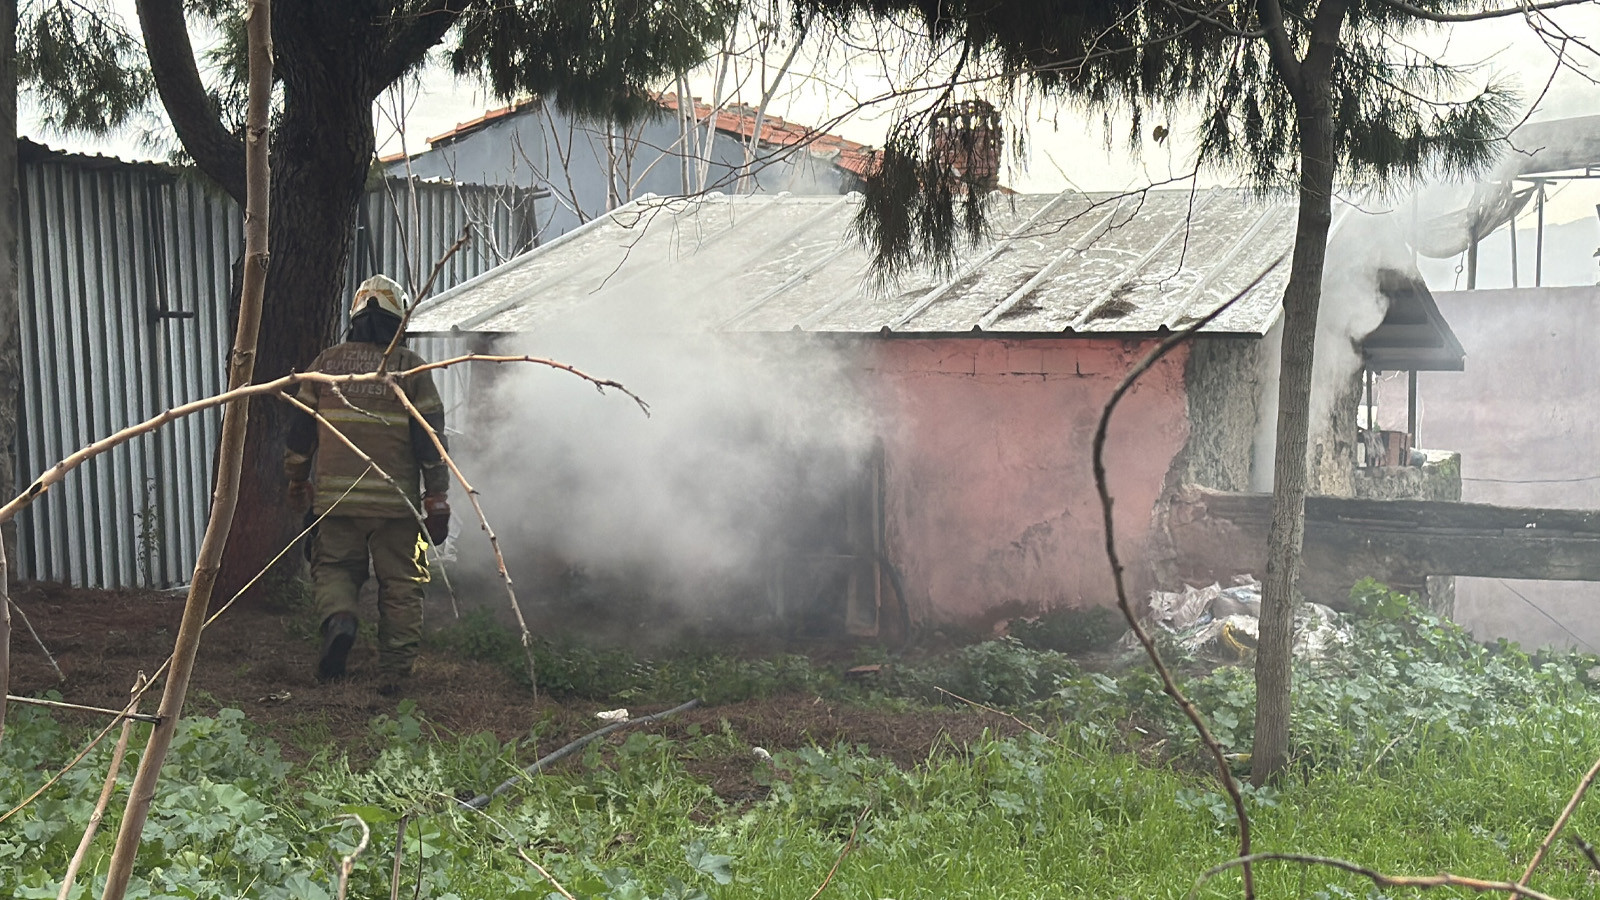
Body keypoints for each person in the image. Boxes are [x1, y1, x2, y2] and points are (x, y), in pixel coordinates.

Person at [283, 274, 451, 693]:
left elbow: (300, 432)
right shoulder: (409, 366)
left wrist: (297, 480)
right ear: (399, 321)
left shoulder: (325, 364)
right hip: (395, 505)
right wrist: (437, 496)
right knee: (401, 584)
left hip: (336, 501)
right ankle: (394, 673)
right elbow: (430, 436)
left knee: (336, 568)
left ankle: (340, 620)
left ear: (354, 317)